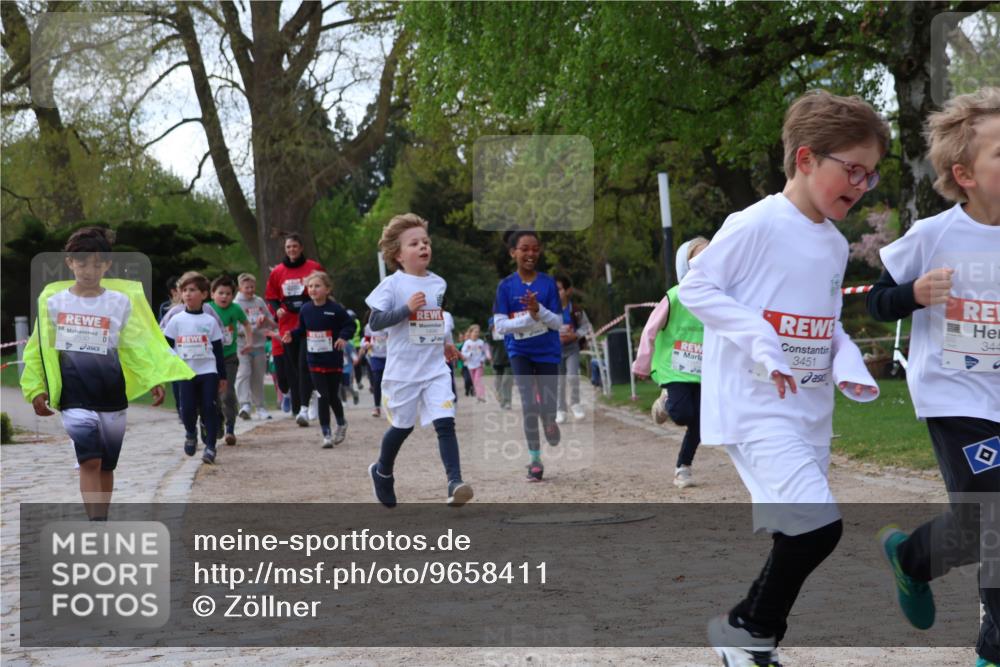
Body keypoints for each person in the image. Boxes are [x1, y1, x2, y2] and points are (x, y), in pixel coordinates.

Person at [679, 90, 889, 666]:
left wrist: (847, 365)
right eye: (852, 170)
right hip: (756, 405)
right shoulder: (755, 223)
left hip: (811, 409)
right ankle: (748, 628)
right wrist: (761, 341)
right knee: (817, 528)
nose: (861, 185)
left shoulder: (832, 243)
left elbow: (825, 324)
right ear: (805, 159)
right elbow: (696, 288)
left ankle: (748, 639)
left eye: (870, 176)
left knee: (796, 530)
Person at [866, 86, 1000, 667]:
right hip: (954, 394)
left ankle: (912, 558)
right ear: (964, 173)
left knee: (978, 526)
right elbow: (874, 301)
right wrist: (913, 294)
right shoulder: (934, 235)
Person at [20, 227, 192, 520]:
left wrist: (154, 379)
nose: (90, 270)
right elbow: (38, 348)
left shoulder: (120, 303)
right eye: (83, 262)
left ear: (108, 265)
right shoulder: (53, 303)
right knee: (90, 461)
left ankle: (103, 517)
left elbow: (135, 347)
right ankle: (95, 523)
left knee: (106, 465)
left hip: (112, 394)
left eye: (97, 263)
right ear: (69, 263)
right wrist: (35, 388)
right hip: (74, 396)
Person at [365, 213, 473, 507]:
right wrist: (404, 309)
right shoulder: (392, 285)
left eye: (426, 241)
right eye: (414, 243)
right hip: (403, 371)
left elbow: (435, 320)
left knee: (445, 422)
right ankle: (383, 471)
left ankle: (455, 482)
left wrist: (447, 344)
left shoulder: (438, 284)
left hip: (435, 368)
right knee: (402, 427)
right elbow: (375, 322)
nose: (423, 247)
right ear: (398, 254)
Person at [632, 238, 709, 489]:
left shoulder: (716, 298)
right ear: (686, 264)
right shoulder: (675, 296)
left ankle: (683, 467)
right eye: (698, 257)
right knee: (683, 413)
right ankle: (666, 401)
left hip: (703, 371)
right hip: (674, 369)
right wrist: (642, 364)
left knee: (701, 422)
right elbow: (650, 330)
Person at [493, 230, 563, 482]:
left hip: (547, 351)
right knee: (529, 405)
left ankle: (550, 421)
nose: (530, 253)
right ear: (513, 253)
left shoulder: (548, 284)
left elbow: (557, 323)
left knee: (547, 404)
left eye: (535, 248)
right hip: (519, 351)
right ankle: (535, 460)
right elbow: (500, 325)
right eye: (524, 248)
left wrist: (539, 310)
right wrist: (528, 318)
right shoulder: (506, 287)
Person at [161, 271, 228, 464]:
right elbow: (166, 345)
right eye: (185, 291)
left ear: (204, 294)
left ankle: (210, 447)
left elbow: (217, 350)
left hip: (208, 370)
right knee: (187, 409)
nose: (188, 294)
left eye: (193, 290)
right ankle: (191, 432)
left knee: (210, 407)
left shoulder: (209, 321)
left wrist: (222, 376)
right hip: (185, 371)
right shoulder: (176, 320)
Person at [283, 271, 355, 448]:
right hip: (314, 360)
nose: (313, 289)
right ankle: (326, 434)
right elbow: (302, 329)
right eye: (310, 286)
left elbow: (350, 325)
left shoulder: (335, 309)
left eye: (317, 286)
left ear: (327, 289)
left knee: (332, 396)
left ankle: (341, 422)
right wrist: (291, 335)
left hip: (333, 359)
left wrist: (343, 338)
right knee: (322, 395)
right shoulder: (306, 309)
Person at [265, 234, 324, 426]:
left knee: (304, 364)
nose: (292, 250)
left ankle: (308, 404)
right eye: (288, 247)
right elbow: (271, 296)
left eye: (295, 246)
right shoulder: (278, 272)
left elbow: (323, 288)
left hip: (309, 323)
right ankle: (299, 407)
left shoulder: (313, 267)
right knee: (293, 368)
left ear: (301, 247)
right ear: (285, 249)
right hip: (287, 324)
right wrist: (278, 309)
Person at [208, 275, 251, 446]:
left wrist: (249, 342)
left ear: (233, 296)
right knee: (212, 395)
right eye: (220, 293)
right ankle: (217, 422)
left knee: (227, 393)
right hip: (209, 358)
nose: (224, 296)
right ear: (212, 294)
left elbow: (247, 324)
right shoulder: (207, 309)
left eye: (228, 294)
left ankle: (230, 428)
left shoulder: (235, 309)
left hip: (229, 358)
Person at [235, 272, 277, 420]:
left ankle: (260, 407)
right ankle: (244, 405)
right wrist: (254, 328)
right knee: (243, 373)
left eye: (252, 287)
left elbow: (271, 320)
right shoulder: (236, 304)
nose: (250, 290)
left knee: (258, 377)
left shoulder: (259, 301)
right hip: (242, 345)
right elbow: (235, 328)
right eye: (247, 287)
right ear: (240, 288)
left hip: (259, 345)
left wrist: (264, 320)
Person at [554, 275, 593, 423]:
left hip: (572, 349)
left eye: (559, 289)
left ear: (568, 290)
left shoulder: (576, 310)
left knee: (572, 376)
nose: (556, 293)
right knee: (559, 381)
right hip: (555, 351)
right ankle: (560, 410)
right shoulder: (548, 310)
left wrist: (575, 335)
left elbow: (586, 326)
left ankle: (575, 404)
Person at [362, 311, 388, 418]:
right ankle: (377, 407)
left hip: (389, 356)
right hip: (375, 356)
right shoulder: (369, 326)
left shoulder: (390, 325)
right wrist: (367, 344)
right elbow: (366, 339)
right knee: (377, 380)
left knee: (388, 381)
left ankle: (392, 406)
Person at [460, 324, 491, 402]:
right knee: (474, 381)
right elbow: (463, 352)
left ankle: (481, 395)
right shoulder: (467, 343)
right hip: (470, 365)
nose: (476, 334)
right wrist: (468, 355)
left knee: (477, 380)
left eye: (478, 332)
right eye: (475, 332)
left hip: (479, 364)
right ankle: (478, 394)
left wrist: (486, 357)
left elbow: (486, 351)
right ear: (470, 333)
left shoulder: (481, 342)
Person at [488, 317, 514, 409]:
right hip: (497, 361)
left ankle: (507, 402)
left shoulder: (509, 332)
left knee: (507, 381)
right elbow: (489, 342)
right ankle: (501, 399)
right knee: (498, 383)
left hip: (509, 360)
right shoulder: (491, 336)